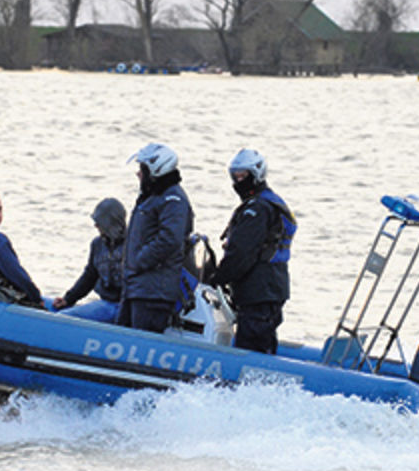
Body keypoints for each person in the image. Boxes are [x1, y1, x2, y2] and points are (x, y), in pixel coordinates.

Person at [208, 149, 296, 354]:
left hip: (260, 291)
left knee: (252, 344)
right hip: (267, 289)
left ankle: (252, 384)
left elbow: (241, 253)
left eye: (243, 176)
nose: (238, 181)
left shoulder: (257, 210)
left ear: (256, 174)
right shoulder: (266, 203)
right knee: (262, 341)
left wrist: (218, 278)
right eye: (235, 176)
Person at [117, 143, 194, 333]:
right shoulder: (151, 197)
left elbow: (169, 240)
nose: (138, 174)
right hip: (137, 288)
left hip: (153, 292)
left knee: (140, 343)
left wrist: (139, 261)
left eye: (141, 170)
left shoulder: (173, 200)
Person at [52, 197, 127, 323]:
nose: (96, 226)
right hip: (106, 302)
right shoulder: (97, 245)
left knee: (62, 319)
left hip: (124, 305)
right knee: (60, 317)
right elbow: (90, 276)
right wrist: (69, 299)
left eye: (100, 222)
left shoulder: (133, 244)